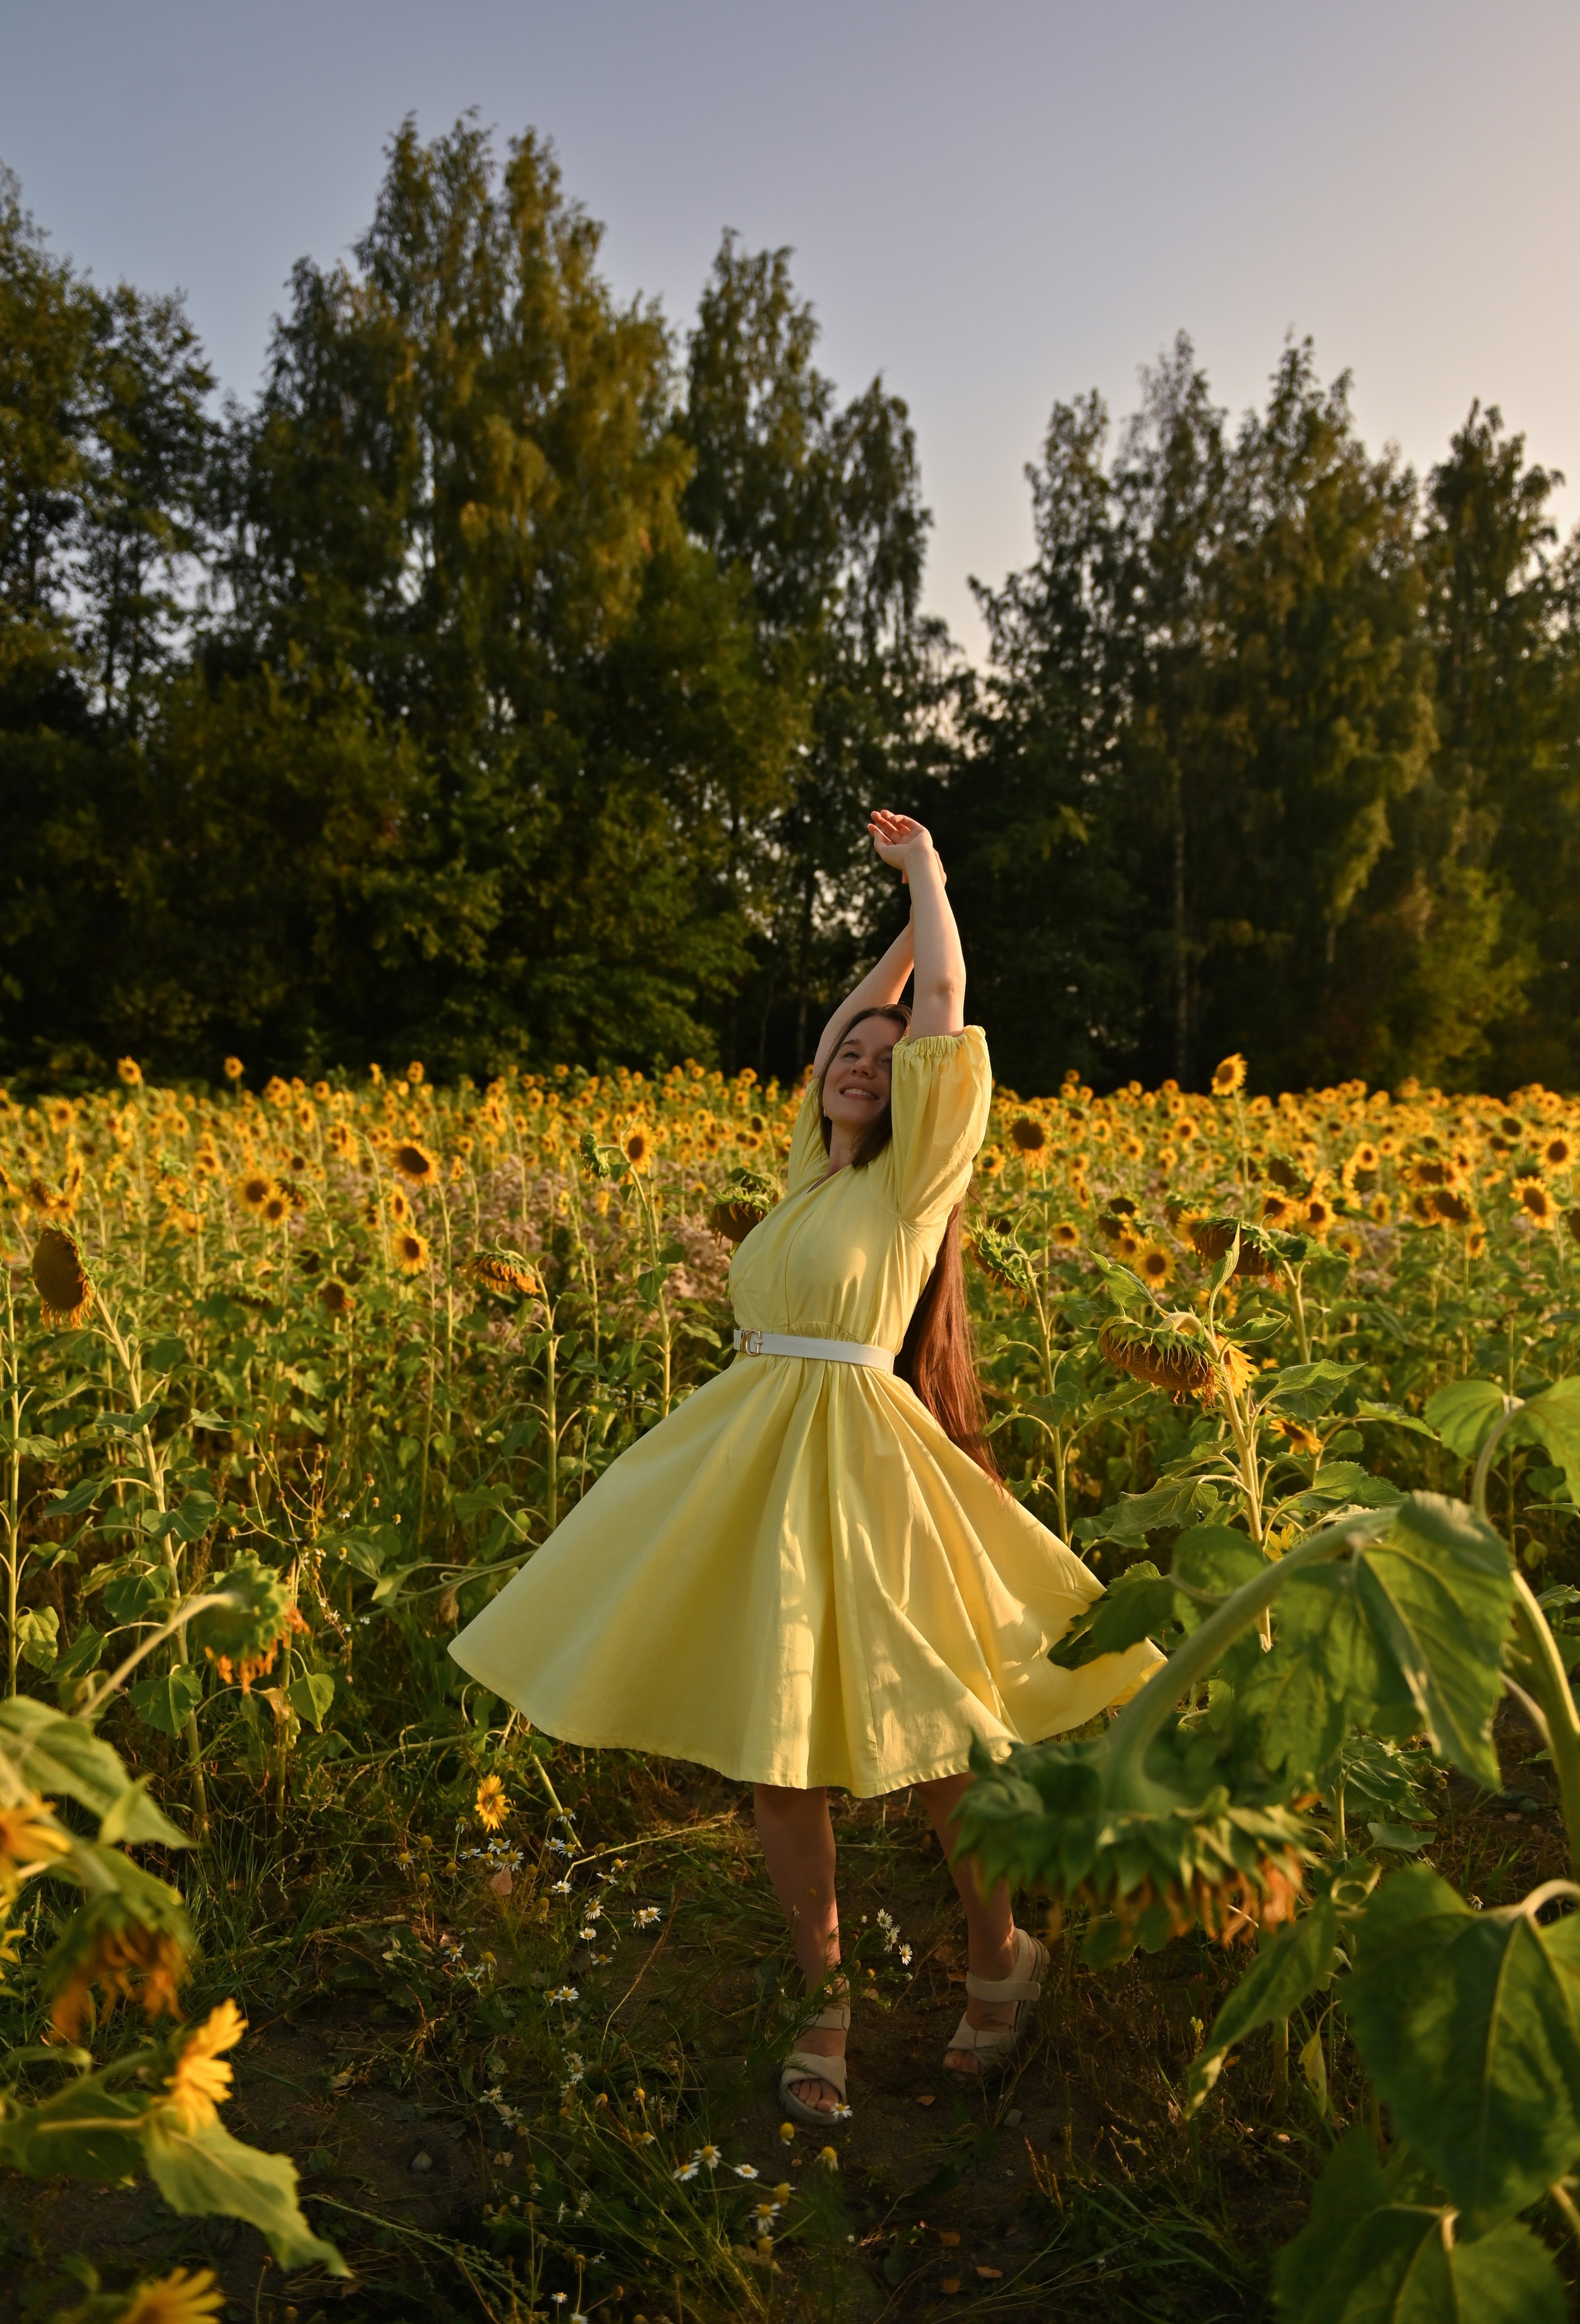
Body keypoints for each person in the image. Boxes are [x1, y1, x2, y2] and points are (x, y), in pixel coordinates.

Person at [449, 810, 1158, 2126]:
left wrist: (930, 880)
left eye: (888, 1065)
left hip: (863, 1466)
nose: (860, 1062)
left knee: (937, 1743)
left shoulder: (911, 1188)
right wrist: (885, 942)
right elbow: (866, 1004)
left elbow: (936, 1004)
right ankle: (818, 2006)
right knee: (780, 1755)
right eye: (847, 1054)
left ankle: (1000, 1960)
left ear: (919, 1098)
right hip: (755, 1467)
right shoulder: (800, 1179)